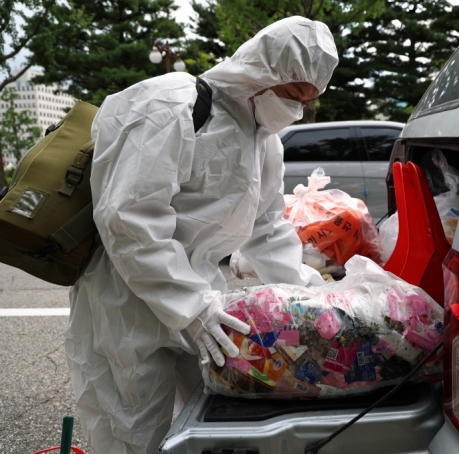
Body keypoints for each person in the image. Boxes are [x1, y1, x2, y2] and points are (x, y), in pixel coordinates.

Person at [65, 17, 338, 454]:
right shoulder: (173, 103)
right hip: (126, 300)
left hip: (203, 298)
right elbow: (128, 217)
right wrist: (189, 307)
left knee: (218, 424)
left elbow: (267, 227)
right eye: (292, 94)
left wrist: (312, 292)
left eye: (308, 101)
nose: (297, 110)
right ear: (261, 74)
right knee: (131, 435)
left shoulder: (264, 141)